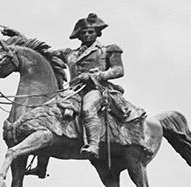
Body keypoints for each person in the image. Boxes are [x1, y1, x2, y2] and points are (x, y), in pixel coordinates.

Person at [52, 13, 134, 157]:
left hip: (96, 88)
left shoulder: (108, 50)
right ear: (79, 36)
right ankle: (42, 164)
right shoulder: (70, 53)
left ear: (97, 33)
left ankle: (94, 146)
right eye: (83, 33)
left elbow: (118, 70)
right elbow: (46, 52)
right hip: (73, 91)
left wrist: (95, 76)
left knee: (88, 108)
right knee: (49, 112)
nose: (87, 35)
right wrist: (20, 38)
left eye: (91, 32)